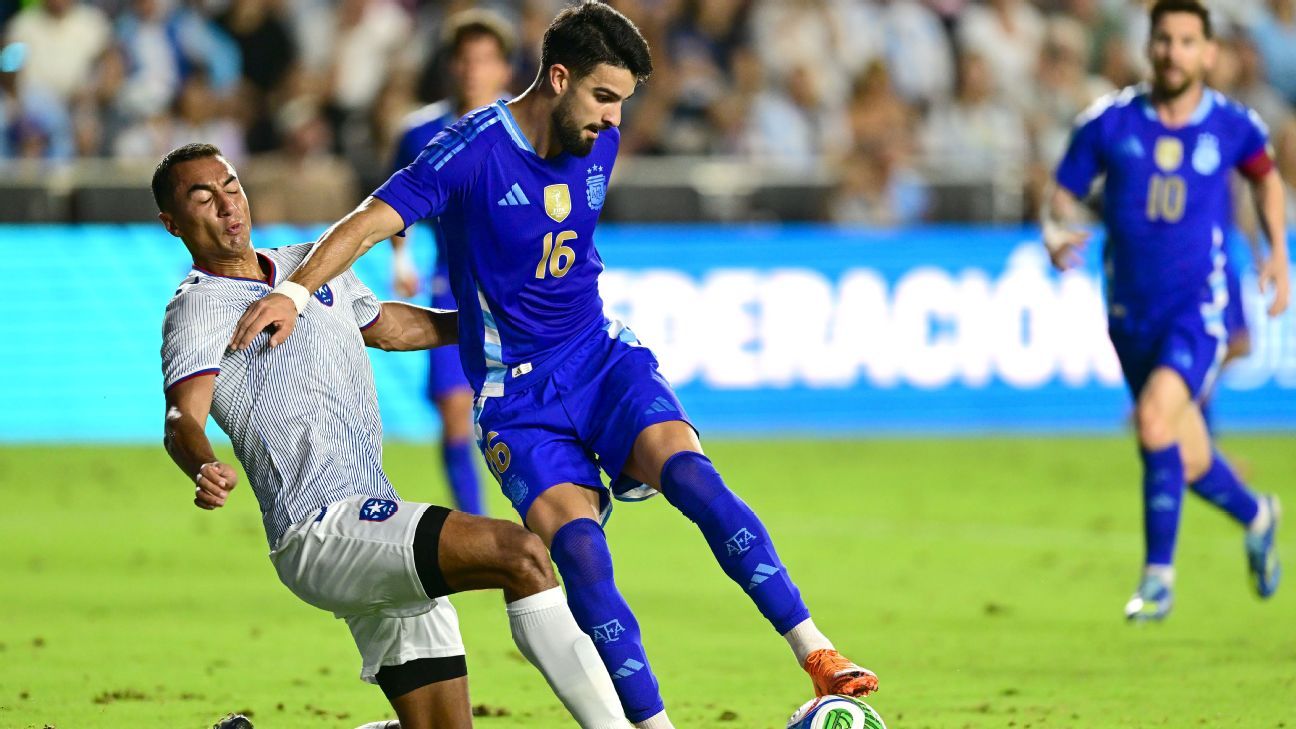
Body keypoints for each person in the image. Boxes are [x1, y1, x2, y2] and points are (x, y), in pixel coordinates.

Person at [227, 4, 878, 728]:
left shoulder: (598, 137)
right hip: (518, 402)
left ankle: (814, 648)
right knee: (579, 553)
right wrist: (292, 290)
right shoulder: (468, 151)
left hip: (600, 357)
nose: (613, 121)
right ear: (558, 78)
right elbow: (368, 223)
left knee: (693, 475)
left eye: (623, 103)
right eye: (604, 97)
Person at [155, 142, 629, 729]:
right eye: (203, 198)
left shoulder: (308, 266)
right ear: (173, 223)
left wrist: (491, 325)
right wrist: (202, 463)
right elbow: (183, 417)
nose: (227, 206)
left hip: (371, 521)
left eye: (231, 187)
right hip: (320, 529)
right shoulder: (197, 308)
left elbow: (392, 327)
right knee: (521, 553)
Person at [1042, 0, 1287, 621]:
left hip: (1198, 309)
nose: (1173, 52)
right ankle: (1258, 515)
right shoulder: (1110, 123)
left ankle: (1158, 578)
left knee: (1153, 422)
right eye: (1164, 40)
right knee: (1190, 455)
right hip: (1129, 313)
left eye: (1186, 41)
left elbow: (1265, 177)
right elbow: (1063, 190)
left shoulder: (1232, 125)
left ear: (1207, 53)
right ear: (1149, 47)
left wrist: (1277, 251)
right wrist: (1053, 227)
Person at [389, 9, 515, 517]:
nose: (472, 70)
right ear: (450, 66)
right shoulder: (420, 133)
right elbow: (395, 205)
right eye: (464, 60)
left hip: (517, 290)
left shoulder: (527, 128)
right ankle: (479, 525)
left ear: (505, 68)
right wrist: (401, 257)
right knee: (455, 412)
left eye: (484, 60)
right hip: (453, 285)